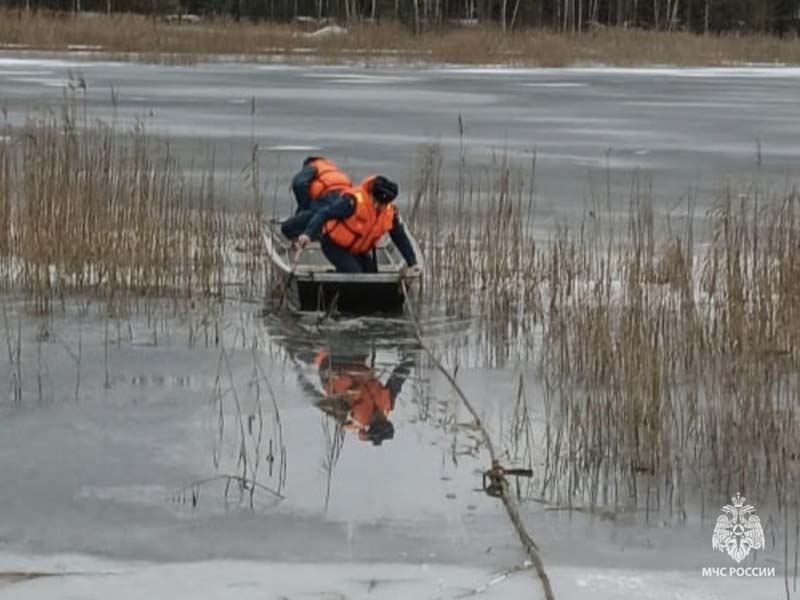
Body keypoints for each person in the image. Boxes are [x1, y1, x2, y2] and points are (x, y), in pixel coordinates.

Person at [294, 174, 422, 275]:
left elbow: (400, 237)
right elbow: (323, 214)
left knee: (372, 277)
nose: (378, 207)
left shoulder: (390, 213)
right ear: (371, 195)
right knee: (354, 274)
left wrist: (412, 262)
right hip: (334, 245)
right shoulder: (352, 202)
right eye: (376, 202)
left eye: (382, 205)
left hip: (357, 250)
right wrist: (308, 234)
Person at [313, 349, 414, 446]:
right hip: (356, 361)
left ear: (370, 424)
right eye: (382, 418)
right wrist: (410, 360)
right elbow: (398, 378)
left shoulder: (354, 420)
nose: (378, 416)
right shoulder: (387, 402)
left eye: (375, 421)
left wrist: (364, 435)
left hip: (332, 370)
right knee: (360, 347)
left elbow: (338, 414)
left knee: (320, 353)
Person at [281, 156, 352, 239]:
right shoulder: (334, 170)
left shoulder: (313, 165)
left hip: (327, 200)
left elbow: (299, 183)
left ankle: (322, 237)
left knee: (287, 228)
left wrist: (304, 207)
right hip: (346, 201)